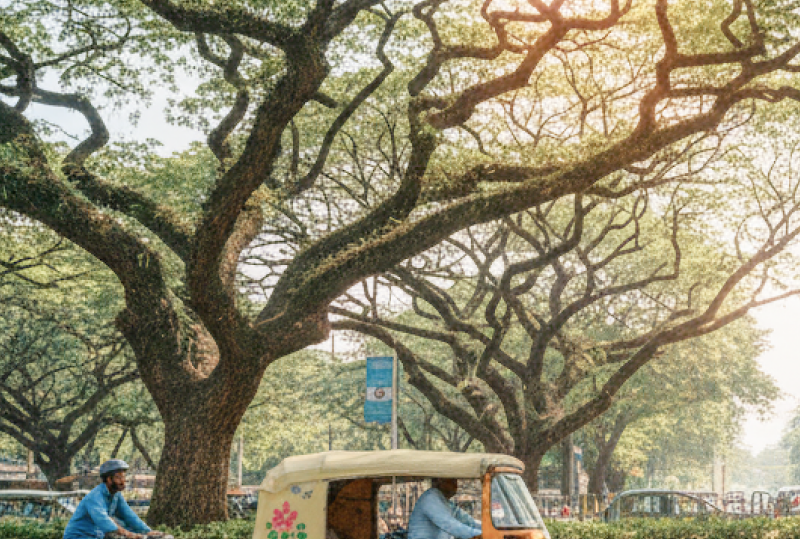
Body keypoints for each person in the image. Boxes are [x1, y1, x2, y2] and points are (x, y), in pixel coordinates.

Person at [63, 459, 168, 539]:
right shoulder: (95, 497)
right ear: (109, 479)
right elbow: (104, 521)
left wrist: (147, 531)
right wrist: (130, 535)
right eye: (119, 477)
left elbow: (129, 516)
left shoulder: (116, 495)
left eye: (124, 477)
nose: (123, 481)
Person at [408, 478, 481, 539]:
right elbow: (450, 525)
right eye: (452, 481)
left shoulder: (447, 503)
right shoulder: (431, 497)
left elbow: (470, 522)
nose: (456, 485)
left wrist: (488, 530)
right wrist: (483, 535)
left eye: (455, 481)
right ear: (440, 481)